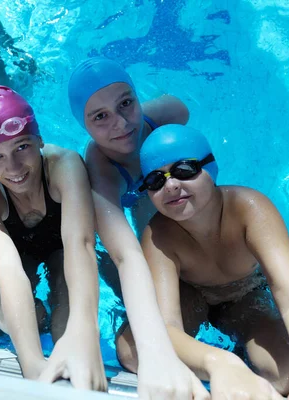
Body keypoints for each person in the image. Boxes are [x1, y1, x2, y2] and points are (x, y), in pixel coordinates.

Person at [137, 124, 289, 399]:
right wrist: (220, 364)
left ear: (210, 168)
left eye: (184, 169)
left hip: (244, 298)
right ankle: (231, 361)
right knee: (132, 350)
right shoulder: (158, 236)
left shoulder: (249, 209)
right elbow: (165, 326)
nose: (172, 185)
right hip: (189, 298)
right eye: (156, 180)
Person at [68, 57, 208, 399]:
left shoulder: (168, 115)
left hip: (190, 228)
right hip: (152, 232)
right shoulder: (100, 169)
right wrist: (155, 351)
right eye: (99, 117)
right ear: (83, 126)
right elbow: (125, 253)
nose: (121, 124)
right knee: (130, 347)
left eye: (126, 103)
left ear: (137, 97)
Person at [0, 85, 107, 391]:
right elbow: (10, 274)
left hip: (63, 248)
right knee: (1, 306)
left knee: (67, 300)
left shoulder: (64, 165)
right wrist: (31, 365)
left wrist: (83, 335)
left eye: (22, 147)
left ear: (39, 139)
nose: (13, 167)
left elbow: (80, 245)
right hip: (20, 257)